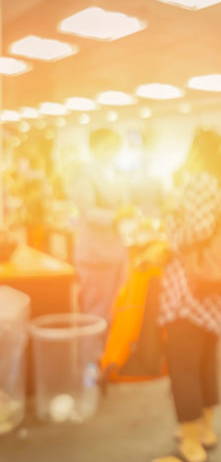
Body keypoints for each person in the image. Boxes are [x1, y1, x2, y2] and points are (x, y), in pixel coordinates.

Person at [150, 129, 221, 462]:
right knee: (204, 362)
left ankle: (190, 448)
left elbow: (196, 231)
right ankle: (205, 430)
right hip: (216, 288)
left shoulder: (202, 181)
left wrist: (170, 224)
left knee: (183, 366)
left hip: (192, 291)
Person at [68, 128, 130, 325]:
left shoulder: (114, 174)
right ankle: (90, 356)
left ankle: (107, 355)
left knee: (112, 310)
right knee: (95, 312)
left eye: (116, 147)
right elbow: (87, 212)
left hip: (115, 252)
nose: (113, 152)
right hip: (95, 253)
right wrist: (117, 215)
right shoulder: (84, 175)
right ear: (94, 148)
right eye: (108, 147)